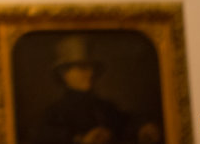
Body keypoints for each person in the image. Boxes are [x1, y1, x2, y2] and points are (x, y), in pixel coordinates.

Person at [27, 35, 162, 144]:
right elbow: (44, 138)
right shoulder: (53, 113)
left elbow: (125, 123)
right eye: (82, 68)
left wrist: (142, 128)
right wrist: (80, 140)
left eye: (91, 68)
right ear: (64, 74)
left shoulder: (106, 107)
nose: (90, 74)